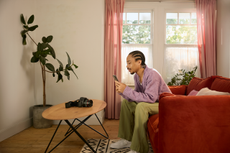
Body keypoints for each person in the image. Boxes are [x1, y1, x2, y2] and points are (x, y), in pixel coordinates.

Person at [110, 50, 171, 153]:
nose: (127, 66)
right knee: (126, 103)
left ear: (139, 62)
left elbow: (150, 98)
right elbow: (137, 97)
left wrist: (126, 89)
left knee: (141, 106)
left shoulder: (152, 74)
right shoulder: (136, 76)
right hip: (154, 103)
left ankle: (139, 148)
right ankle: (127, 140)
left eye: (129, 62)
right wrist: (123, 92)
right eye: (127, 63)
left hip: (165, 104)